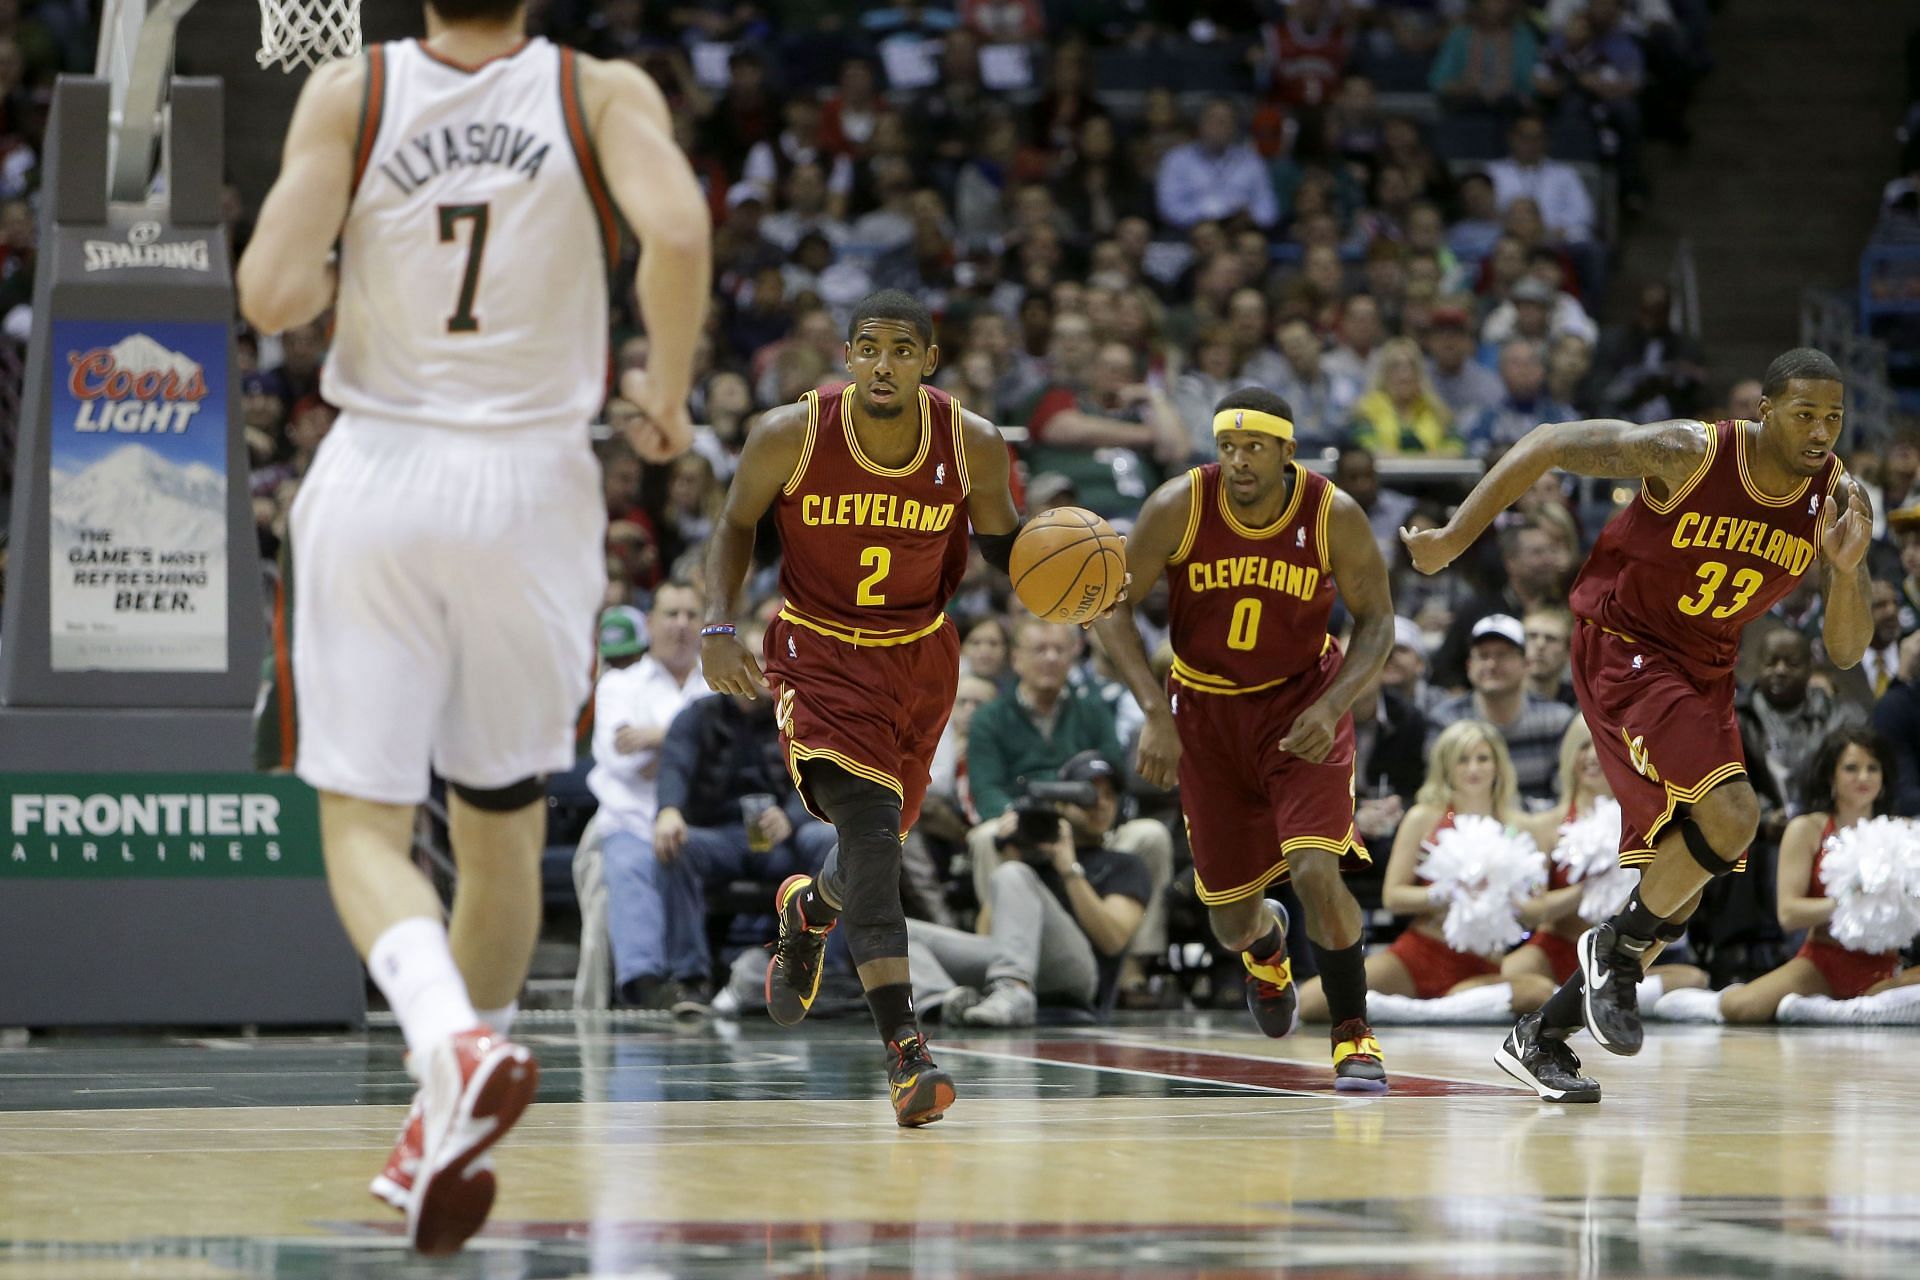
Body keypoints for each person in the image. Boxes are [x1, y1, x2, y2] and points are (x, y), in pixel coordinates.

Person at [235, 0, 711, 1252]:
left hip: (381, 472)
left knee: (361, 822)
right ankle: (445, 1108)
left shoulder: (355, 90)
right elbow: (676, 227)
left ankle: (447, 1038)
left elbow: (272, 292)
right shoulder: (599, 92)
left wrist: (348, 252)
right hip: (538, 487)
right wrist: (662, 388)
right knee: (500, 824)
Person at [1403, 347, 1874, 1102]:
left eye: (1834, 417)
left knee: (1678, 888)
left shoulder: (1838, 495)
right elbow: (1550, 443)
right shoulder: (1689, 452)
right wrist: (1454, 539)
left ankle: (1542, 1037)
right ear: (1766, 412)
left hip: (1706, 669)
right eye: (1805, 414)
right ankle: (1612, 956)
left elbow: (1848, 651)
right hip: (1627, 646)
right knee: (1734, 815)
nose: (1821, 431)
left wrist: (1848, 570)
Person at [699, 289, 1029, 1128]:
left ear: (929, 360)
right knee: (873, 832)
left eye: (902, 350)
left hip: (920, 659)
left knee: (869, 855)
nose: (884, 364)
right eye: (869, 348)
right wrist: (717, 626)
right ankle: (906, 1052)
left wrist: (1076, 571)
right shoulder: (791, 433)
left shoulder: (974, 444)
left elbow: (1004, 544)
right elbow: (736, 525)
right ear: (847, 357)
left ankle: (810, 910)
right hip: (820, 652)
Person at [1092, 387, 1394, 1092]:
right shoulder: (1180, 504)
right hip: (1205, 714)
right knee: (1228, 922)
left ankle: (1353, 1032)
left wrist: (1336, 702)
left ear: (1287, 452)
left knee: (1319, 870)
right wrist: (1155, 711)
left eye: (1254, 448)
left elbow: (1377, 620)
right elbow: (1112, 606)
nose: (1238, 462)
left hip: (1301, 710)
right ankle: (1265, 943)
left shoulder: (1331, 515)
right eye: (1227, 447)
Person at [1308, 720, 1554, 1022]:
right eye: (1462, 760)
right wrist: (1446, 893)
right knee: (1313, 1002)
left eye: (1482, 758)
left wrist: (1502, 896)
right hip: (1420, 953)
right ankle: (1436, 1011)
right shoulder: (1423, 818)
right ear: (1446, 766)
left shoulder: (1522, 827)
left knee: (1540, 992)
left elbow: (1538, 908)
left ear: (1498, 765)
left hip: (1484, 964)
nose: (1473, 769)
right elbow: (1393, 897)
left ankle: (1416, 1011)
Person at [909, 751, 1152, 1025]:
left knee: (1015, 874)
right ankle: (941, 1004)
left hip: (1078, 974)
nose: (1101, 804)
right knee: (900, 932)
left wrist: (1069, 870)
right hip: (1019, 963)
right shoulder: (1032, 858)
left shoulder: (1124, 864)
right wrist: (1009, 859)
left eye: (1110, 796)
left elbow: (1113, 940)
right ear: (1061, 804)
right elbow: (989, 935)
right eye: (1089, 795)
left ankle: (1015, 989)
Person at [1712, 729, 1920, 1024]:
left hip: (1888, 969)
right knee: (1739, 1007)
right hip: (1822, 963)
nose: (1864, 777)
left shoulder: (1904, 830)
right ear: (1830, 775)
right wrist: (1851, 901)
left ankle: (1843, 1008)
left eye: (1873, 768)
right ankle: (1832, 1008)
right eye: (1851, 768)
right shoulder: (1806, 829)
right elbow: (1788, 914)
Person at [1505, 718, 1709, 998]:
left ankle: (1587, 998)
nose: (1591, 756)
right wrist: (1585, 890)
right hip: (1557, 951)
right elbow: (1530, 910)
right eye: (1582, 747)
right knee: (1515, 973)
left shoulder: (1646, 823)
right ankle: (1593, 999)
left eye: (1600, 745)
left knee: (1692, 980)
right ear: (1568, 756)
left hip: (1619, 955)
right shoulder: (1545, 826)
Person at [589, 588, 710, 1007]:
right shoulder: (619, 684)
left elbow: (724, 764)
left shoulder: (719, 683)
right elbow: (618, 761)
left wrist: (658, 738)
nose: (681, 623)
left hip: (703, 821)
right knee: (631, 862)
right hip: (632, 819)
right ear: (651, 623)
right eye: (670, 613)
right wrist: (691, 745)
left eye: (692, 614)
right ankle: (645, 984)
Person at [1427, 614, 1575, 805]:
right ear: (1469, 666)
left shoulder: (1557, 720)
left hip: (1541, 827)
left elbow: (1566, 798)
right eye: (1483, 656)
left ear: (1526, 664)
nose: (1491, 664)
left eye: (1502, 655)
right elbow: (1438, 795)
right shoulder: (1445, 721)